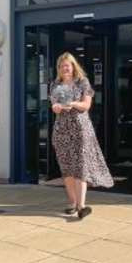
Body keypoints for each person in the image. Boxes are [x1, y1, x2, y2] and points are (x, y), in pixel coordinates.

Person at [50, 52, 113, 219]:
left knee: (81, 167)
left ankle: (81, 205)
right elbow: (54, 104)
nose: (65, 69)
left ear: (73, 66)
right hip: (61, 131)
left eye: (67, 65)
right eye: (62, 66)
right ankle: (72, 203)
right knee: (67, 168)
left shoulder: (83, 82)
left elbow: (86, 105)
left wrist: (73, 104)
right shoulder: (55, 85)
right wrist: (56, 107)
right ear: (59, 68)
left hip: (80, 130)